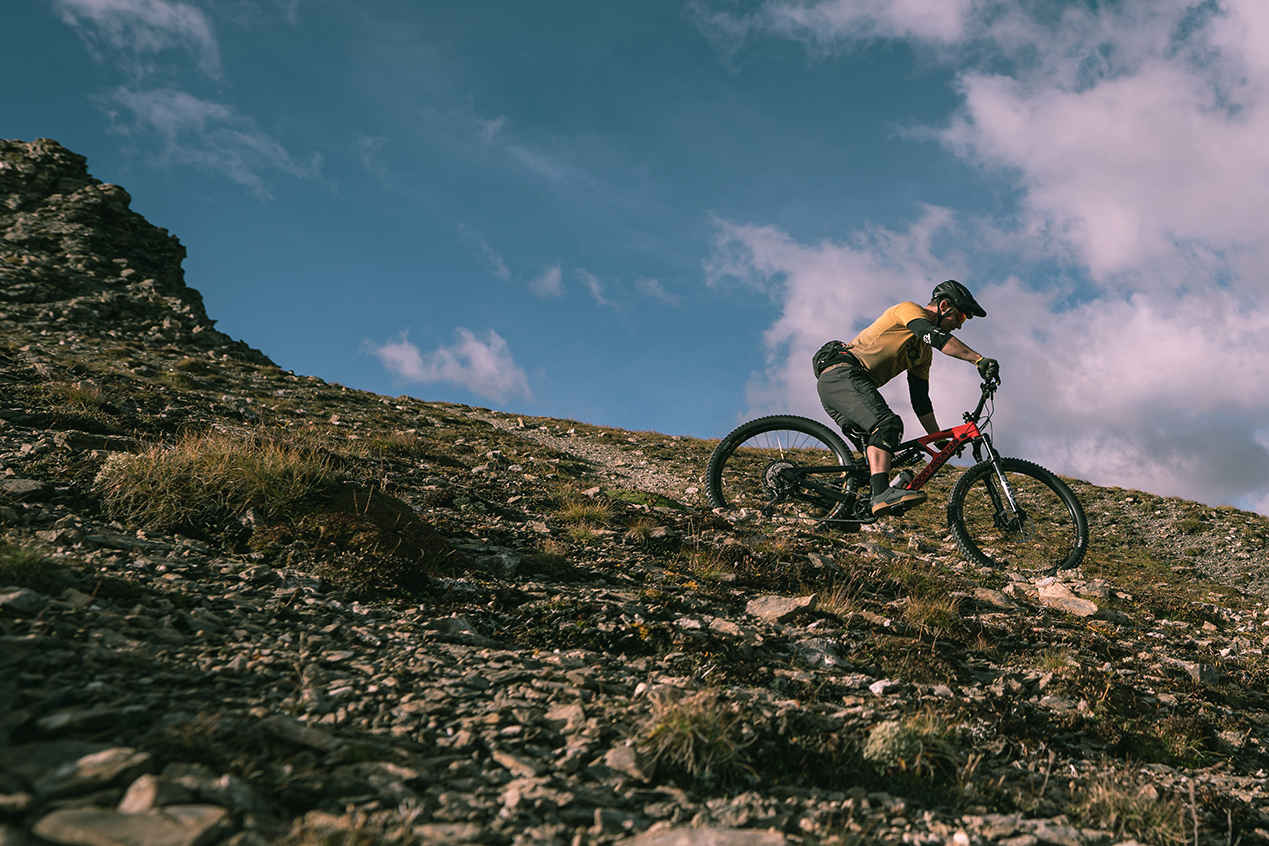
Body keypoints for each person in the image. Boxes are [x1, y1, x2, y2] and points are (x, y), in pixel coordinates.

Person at [816, 280, 999, 517]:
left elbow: (920, 401)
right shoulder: (909, 310)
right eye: (961, 317)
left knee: (873, 461)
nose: (960, 326)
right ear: (944, 305)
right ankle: (881, 494)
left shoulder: (923, 354)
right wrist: (978, 359)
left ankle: (831, 510)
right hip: (843, 374)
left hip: (846, 386)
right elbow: (931, 335)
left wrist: (940, 440)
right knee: (887, 424)